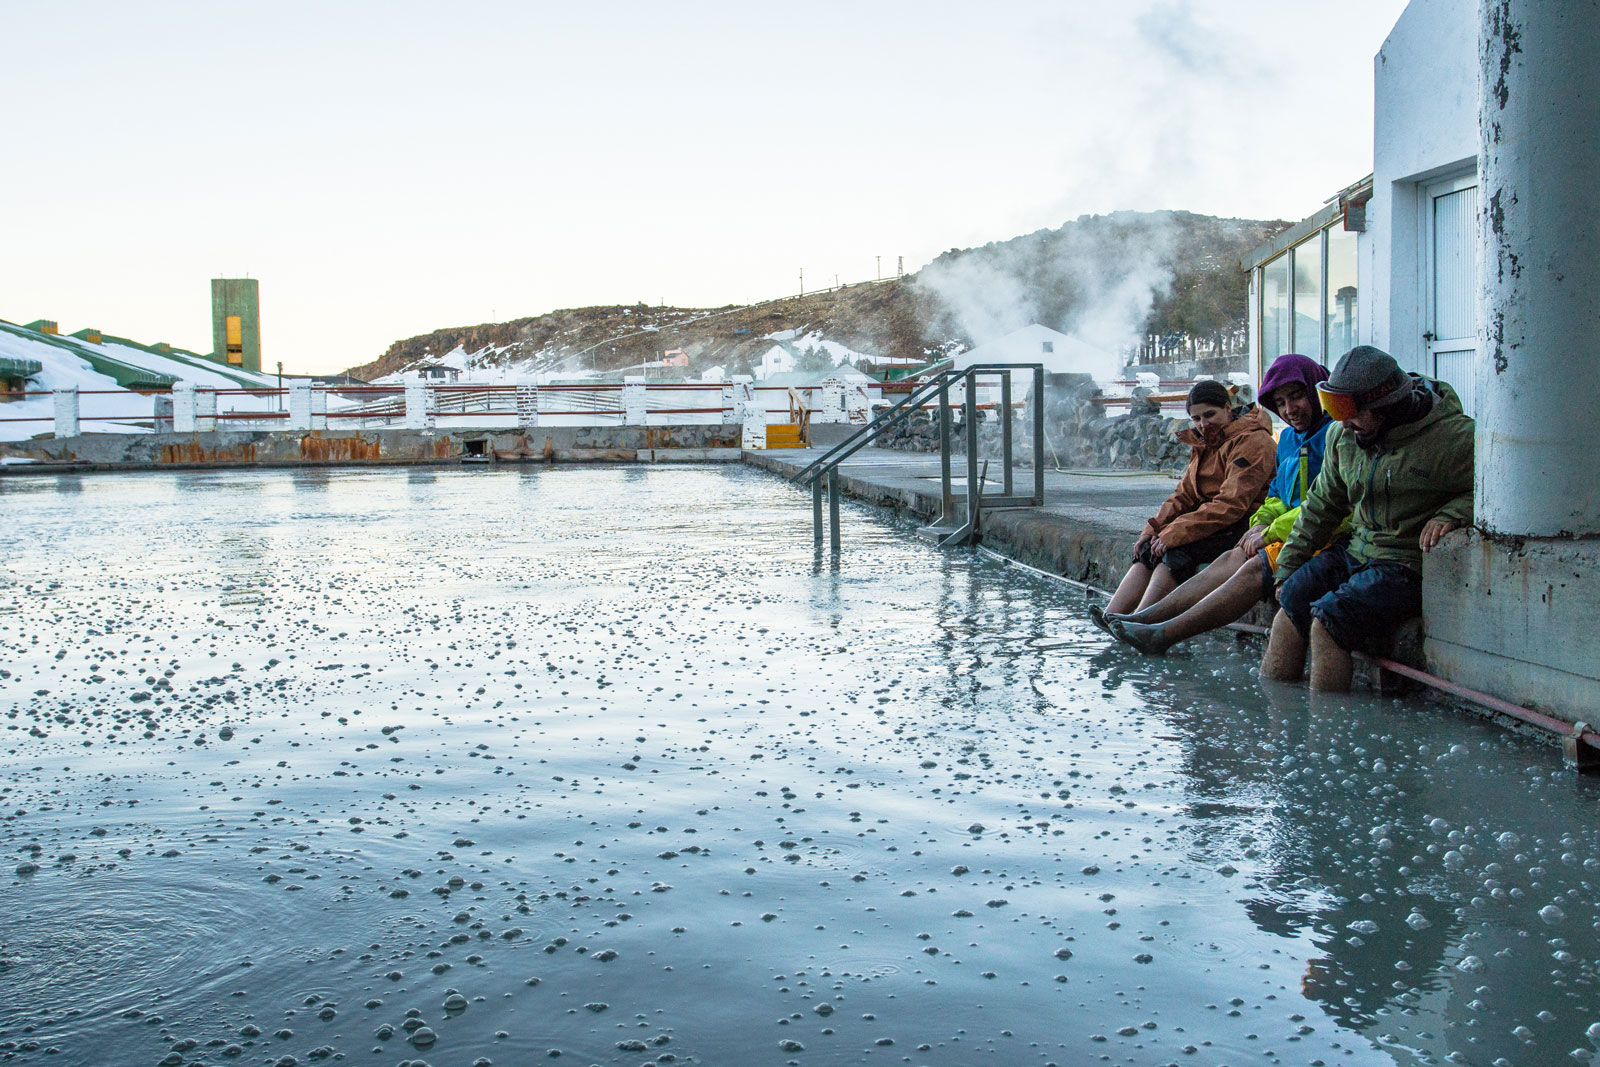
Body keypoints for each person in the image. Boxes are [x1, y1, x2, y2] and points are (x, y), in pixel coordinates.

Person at [1260, 345, 1474, 691]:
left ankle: (1324, 738)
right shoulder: (1343, 436)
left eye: (1348, 409)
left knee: (1328, 622)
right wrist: (1288, 566)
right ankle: (1278, 724)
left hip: (1403, 561)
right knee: (1292, 602)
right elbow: (1321, 505)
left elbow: (1498, 492)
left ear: (1385, 404)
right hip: (1358, 548)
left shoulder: (1453, 438)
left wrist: (1454, 512)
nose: (1341, 421)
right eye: (1333, 407)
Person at [1106, 353, 1337, 654]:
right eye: (1280, 403)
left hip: (1297, 532)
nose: (1289, 409)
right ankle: (1129, 620)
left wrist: (1176, 532)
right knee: (1156, 549)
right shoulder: (1289, 439)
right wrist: (1154, 528)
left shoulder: (1328, 435)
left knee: (1182, 553)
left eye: (1297, 398)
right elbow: (1274, 495)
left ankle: (1158, 629)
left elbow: (1236, 504)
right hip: (1273, 529)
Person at [1091, 379, 1276, 624]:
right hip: (1211, 521)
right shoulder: (1205, 441)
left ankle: (1138, 622)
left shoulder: (1253, 441)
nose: (1203, 424)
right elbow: (1183, 494)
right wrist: (1153, 529)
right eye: (1197, 418)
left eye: (1210, 414)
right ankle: (1110, 618)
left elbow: (1231, 506)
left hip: (1241, 524)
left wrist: (1174, 533)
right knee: (1148, 549)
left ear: (1228, 409)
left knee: (1175, 551)